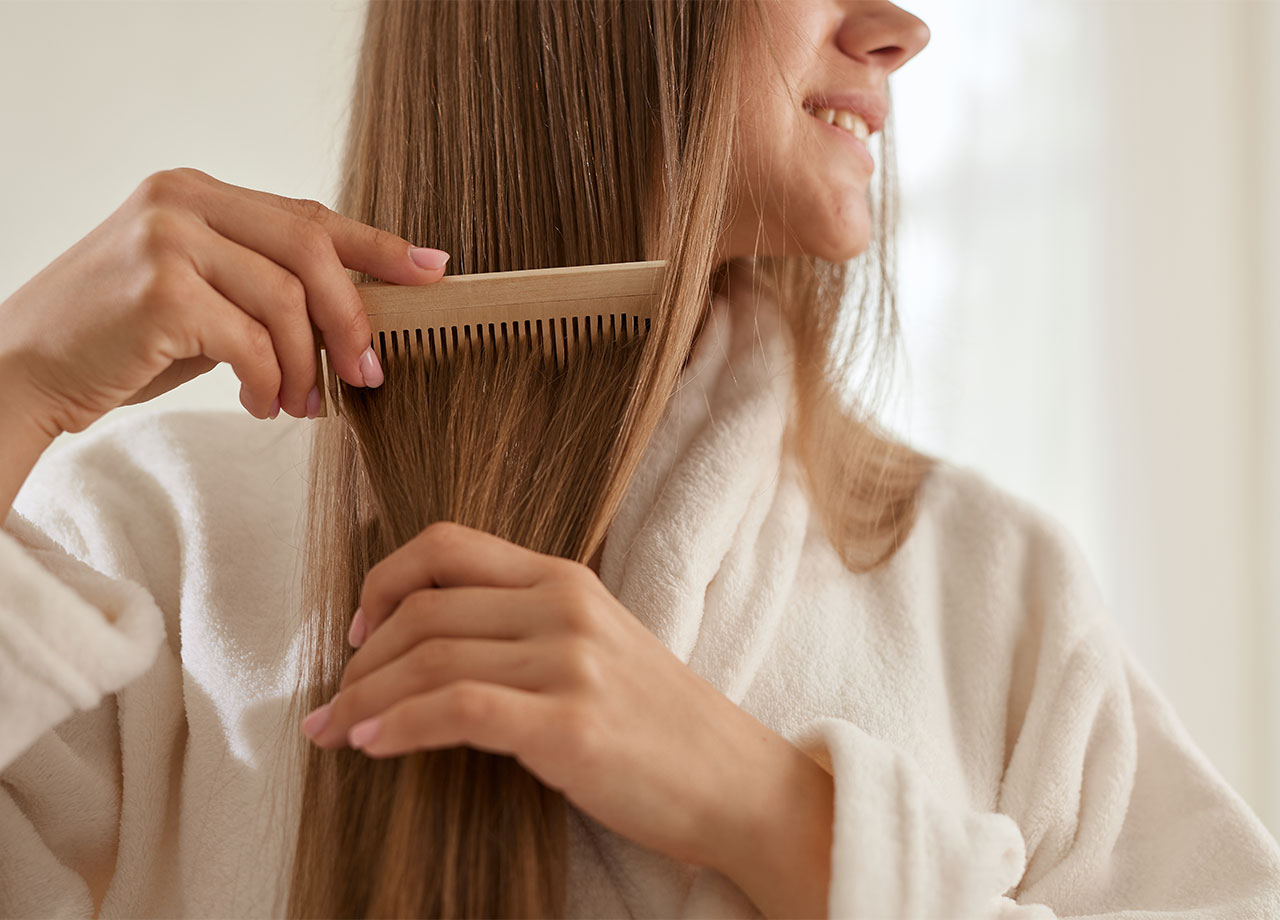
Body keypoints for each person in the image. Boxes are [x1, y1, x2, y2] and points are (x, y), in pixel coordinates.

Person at [3, 1, 1279, 918]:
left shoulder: (991, 591)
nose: (901, 24)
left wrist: (779, 814)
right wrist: (16, 385)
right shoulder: (157, 542)